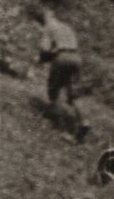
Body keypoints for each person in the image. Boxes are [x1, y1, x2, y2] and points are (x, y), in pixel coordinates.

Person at [38, 10, 89, 138]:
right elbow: (74, 45)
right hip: (76, 58)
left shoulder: (48, 27)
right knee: (74, 95)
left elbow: (45, 48)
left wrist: (42, 58)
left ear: (47, 18)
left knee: (53, 89)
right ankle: (84, 122)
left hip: (62, 57)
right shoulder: (67, 27)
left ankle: (57, 122)